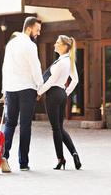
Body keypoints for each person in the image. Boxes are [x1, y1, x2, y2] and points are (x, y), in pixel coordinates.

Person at [1, 17, 43, 172]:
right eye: (37, 30)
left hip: (11, 89)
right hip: (27, 89)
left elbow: (5, 68)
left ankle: (4, 156)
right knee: (25, 125)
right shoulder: (30, 45)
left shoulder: (11, 44)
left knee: (10, 124)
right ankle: (23, 163)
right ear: (29, 28)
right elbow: (36, 68)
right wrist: (40, 88)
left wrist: (4, 90)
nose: (38, 33)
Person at [37, 35, 82, 170]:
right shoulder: (69, 61)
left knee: (56, 129)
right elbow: (75, 80)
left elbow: (50, 81)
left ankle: (60, 159)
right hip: (61, 94)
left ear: (64, 46)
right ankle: (74, 153)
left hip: (53, 94)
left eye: (57, 43)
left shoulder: (61, 62)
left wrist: (39, 93)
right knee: (60, 128)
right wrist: (66, 92)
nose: (55, 45)